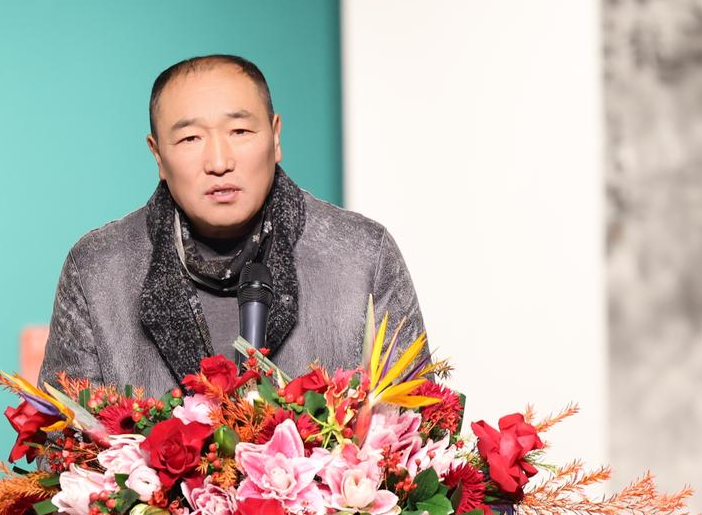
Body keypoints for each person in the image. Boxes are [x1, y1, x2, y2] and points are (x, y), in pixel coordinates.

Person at [38, 53, 429, 394]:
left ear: (275, 136)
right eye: (190, 139)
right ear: (157, 155)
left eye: (240, 131)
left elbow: (419, 434)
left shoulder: (361, 254)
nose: (219, 162)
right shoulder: (98, 269)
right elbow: (60, 447)